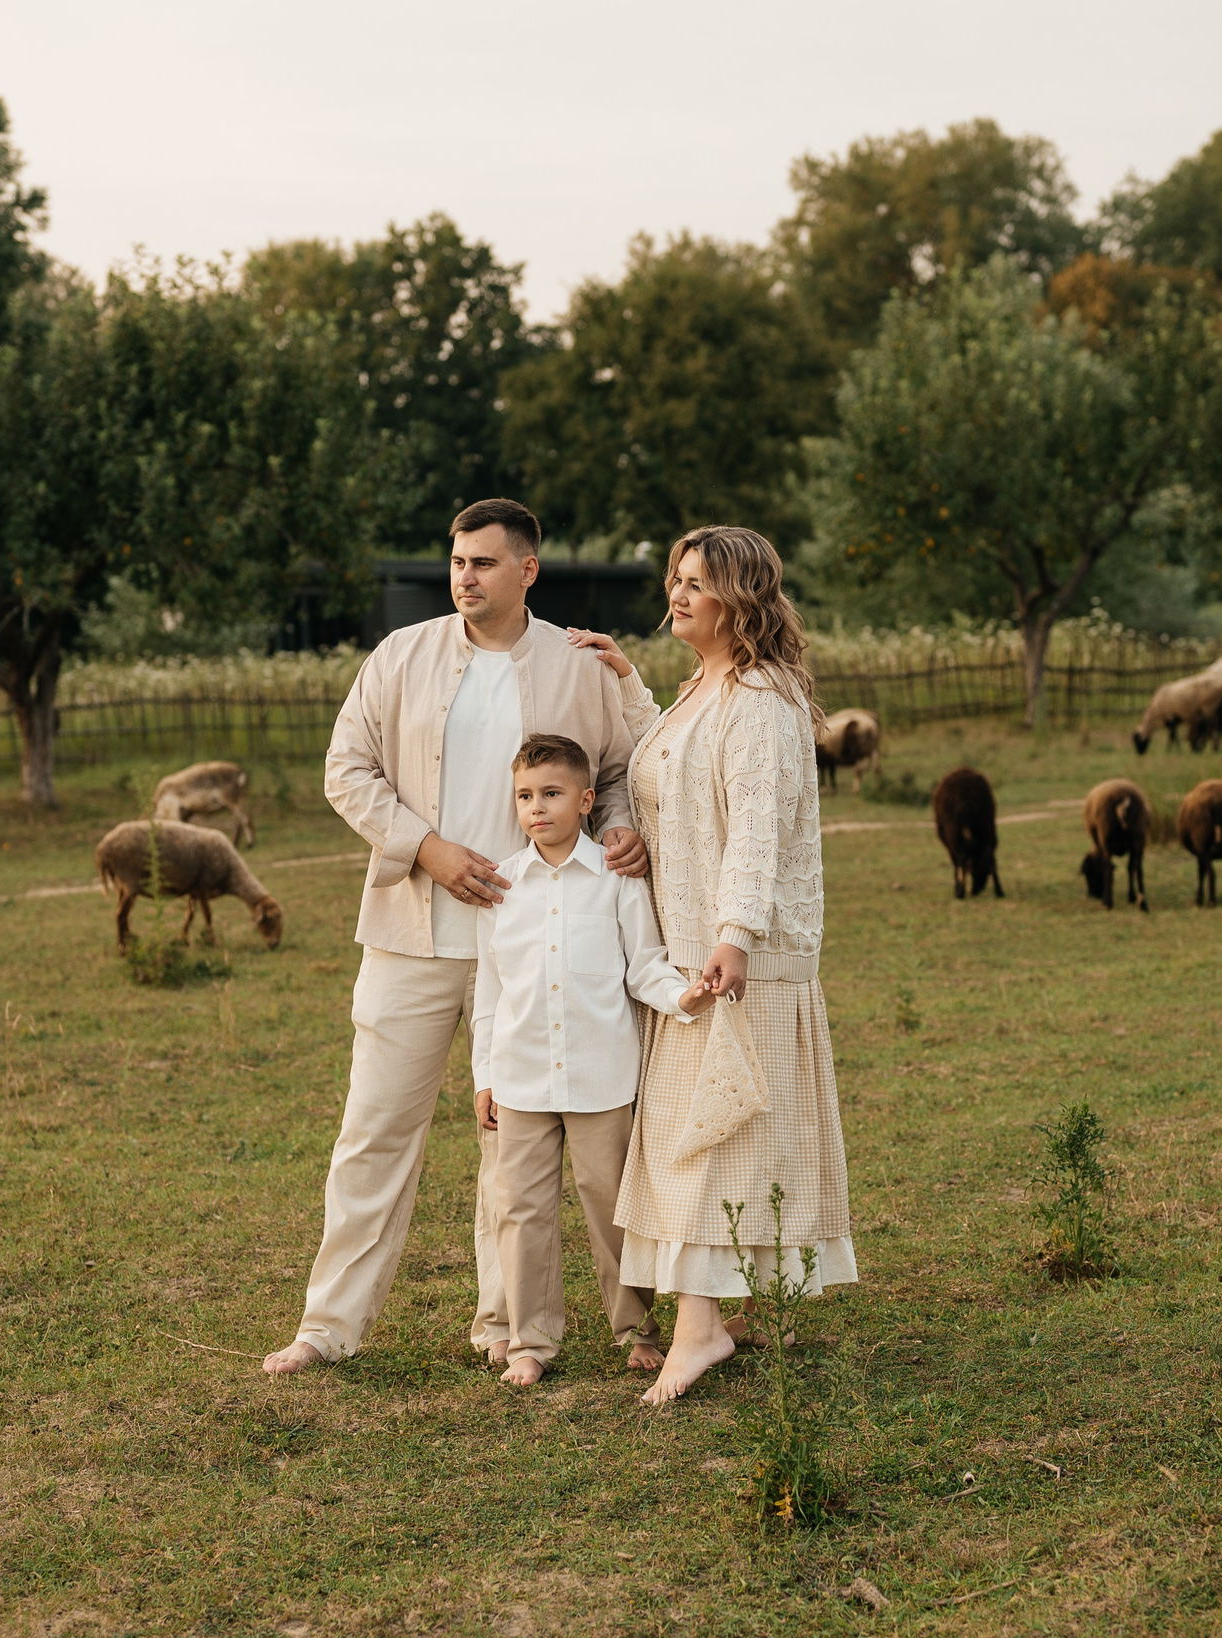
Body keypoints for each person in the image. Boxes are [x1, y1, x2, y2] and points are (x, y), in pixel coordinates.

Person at [264, 499, 662, 1376]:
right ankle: (328, 1325)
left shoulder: (579, 662)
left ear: (527, 569)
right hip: (411, 933)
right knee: (374, 1130)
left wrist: (622, 830)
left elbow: (626, 771)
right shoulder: (399, 656)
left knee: (507, 1145)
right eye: (456, 560)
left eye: (484, 561)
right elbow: (347, 770)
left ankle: (502, 1323)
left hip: (538, 950)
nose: (464, 575)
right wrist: (429, 848)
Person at [568, 525, 855, 1406]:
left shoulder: (762, 699)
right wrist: (628, 682)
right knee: (710, 1139)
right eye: (676, 578)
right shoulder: (706, 689)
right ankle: (716, 1314)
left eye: (698, 582)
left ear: (742, 599)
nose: (679, 594)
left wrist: (732, 936)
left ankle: (698, 1327)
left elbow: (758, 831)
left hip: (739, 957)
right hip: (691, 951)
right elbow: (670, 765)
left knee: (712, 1140)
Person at [473, 733, 710, 1387]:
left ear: (584, 800)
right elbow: (488, 991)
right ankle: (531, 1340)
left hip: (602, 1077)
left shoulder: (616, 879)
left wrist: (685, 997)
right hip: (520, 1078)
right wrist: (484, 1076)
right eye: (525, 795)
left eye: (550, 793)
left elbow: (646, 968)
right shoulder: (501, 886)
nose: (536, 807)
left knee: (610, 1203)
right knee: (519, 1208)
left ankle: (636, 1329)